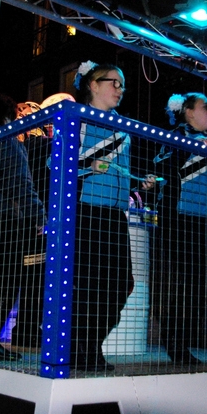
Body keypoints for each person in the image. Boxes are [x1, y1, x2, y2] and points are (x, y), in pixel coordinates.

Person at [68, 60, 154, 372]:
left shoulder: (123, 127)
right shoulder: (77, 120)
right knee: (87, 284)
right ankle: (79, 348)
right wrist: (87, 166)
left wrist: (138, 182)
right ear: (93, 85)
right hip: (86, 212)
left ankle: (92, 345)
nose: (120, 89)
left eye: (122, 84)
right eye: (113, 82)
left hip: (116, 215)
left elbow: (120, 171)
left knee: (119, 285)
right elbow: (55, 163)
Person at [0, 92, 46, 362]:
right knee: (5, 283)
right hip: (5, 219)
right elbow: (20, 183)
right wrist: (39, 216)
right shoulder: (6, 140)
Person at [153, 92, 207, 365]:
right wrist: (193, 149)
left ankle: (184, 341)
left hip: (204, 221)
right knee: (186, 283)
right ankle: (175, 341)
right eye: (206, 106)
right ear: (189, 112)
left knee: (200, 284)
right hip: (178, 219)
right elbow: (163, 167)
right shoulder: (176, 138)